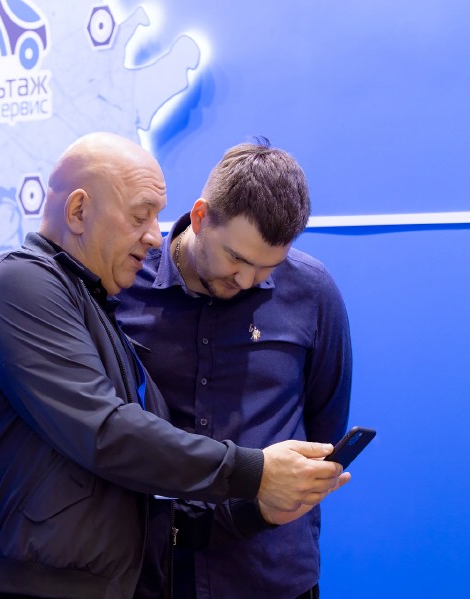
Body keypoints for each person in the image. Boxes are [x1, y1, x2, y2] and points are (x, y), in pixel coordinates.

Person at [0, 132, 349, 599]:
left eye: (266, 269)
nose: (152, 235)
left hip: (237, 572)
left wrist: (254, 508)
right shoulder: (22, 286)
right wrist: (255, 472)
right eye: (140, 217)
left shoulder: (93, 302)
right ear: (78, 211)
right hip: (55, 584)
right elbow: (109, 434)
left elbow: (134, 479)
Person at [116, 139, 353, 599]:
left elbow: (325, 430)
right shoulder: (125, 283)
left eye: (267, 268)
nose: (246, 280)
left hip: (272, 572)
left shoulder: (313, 291)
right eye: (236, 258)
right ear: (200, 217)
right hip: (155, 571)